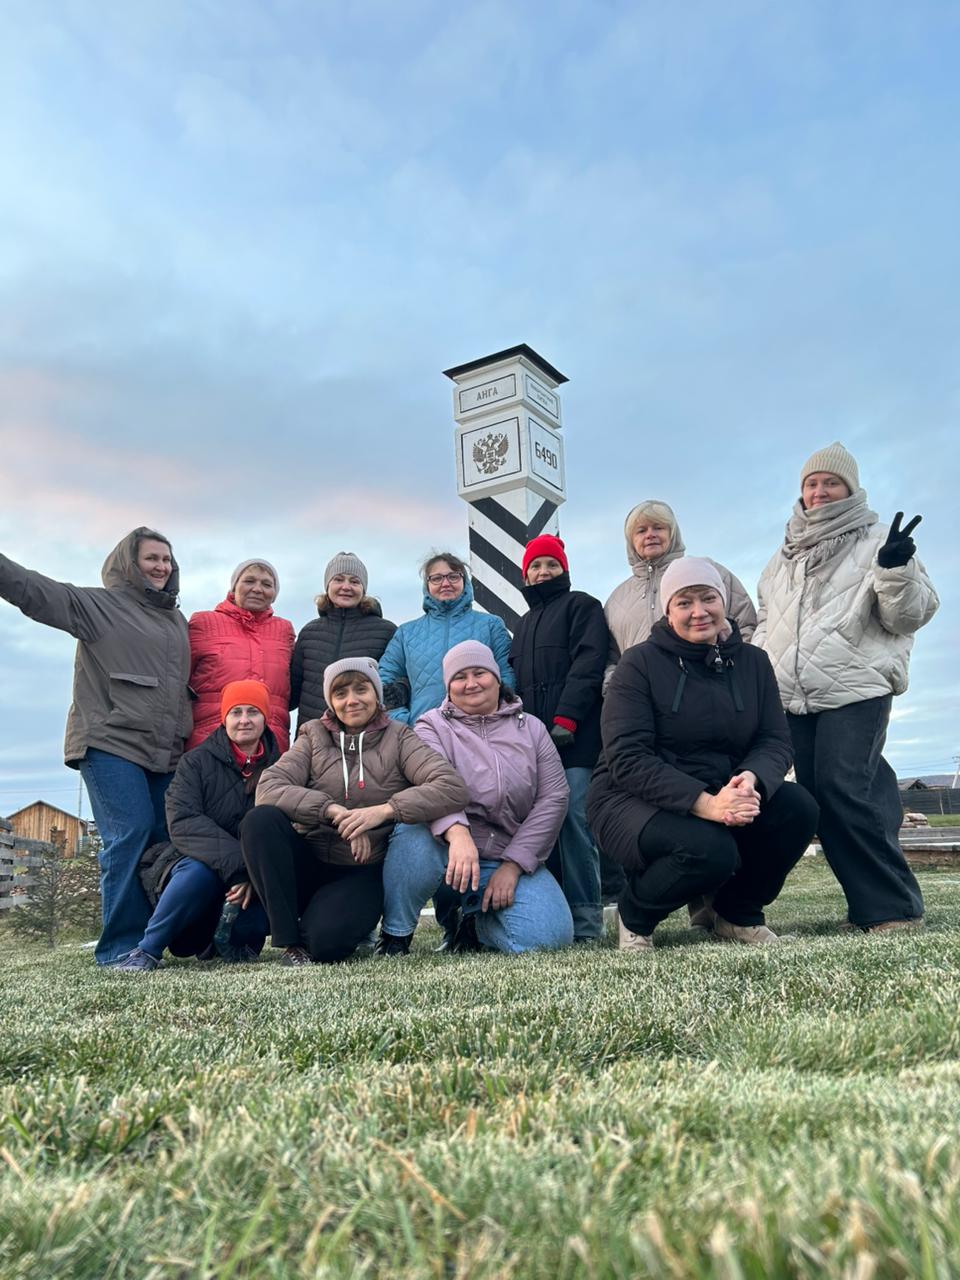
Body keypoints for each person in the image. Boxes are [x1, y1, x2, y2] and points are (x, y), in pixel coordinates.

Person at [753, 442, 939, 932]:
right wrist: (760, 674)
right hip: (794, 695)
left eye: (830, 483)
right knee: (821, 798)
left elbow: (908, 616)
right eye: (811, 483)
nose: (819, 491)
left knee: (845, 787)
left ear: (850, 488)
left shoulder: (879, 540)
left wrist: (895, 570)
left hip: (856, 685)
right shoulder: (782, 557)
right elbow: (767, 623)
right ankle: (868, 907)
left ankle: (893, 909)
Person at [587, 558, 818, 950]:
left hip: (721, 787)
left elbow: (775, 740)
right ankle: (636, 913)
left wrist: (750, 780)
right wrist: (706, 804)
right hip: (630, 797)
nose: (699, 611)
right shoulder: (638, 664)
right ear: (668, 611)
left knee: (798, 809)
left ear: (723, 601)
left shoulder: (754, 663)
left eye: (708, 598)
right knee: (710, 851)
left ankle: (737, 913)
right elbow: (627, 757)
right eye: (684, 602)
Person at [0, 527, 191, 965]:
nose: (161, 566)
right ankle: (119, 948)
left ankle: (153, 940)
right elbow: (33, 590)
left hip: (165, 750)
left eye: (167, 559)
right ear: (129, 563)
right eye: (151, 558)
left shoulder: (177, 621)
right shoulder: (98, 606)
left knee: (164, 839)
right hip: (110, 741)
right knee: (130, 832)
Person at [241, 656, 469, 965]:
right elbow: (268, 787)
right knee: (260, 820)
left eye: (361, 689)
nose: (352, 700)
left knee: (326, 944)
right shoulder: (312, 735)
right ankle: (290, 942)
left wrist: (384, 811)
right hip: (311, 858)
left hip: (361, 869)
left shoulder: (400, 737)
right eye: (341, 693)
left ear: (376, 694)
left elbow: (451, 786)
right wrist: (333, 812)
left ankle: (324, 928)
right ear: (331, 701)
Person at [377, 640, 575, 956]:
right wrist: (457, 833)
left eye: (479, 673)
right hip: (447, 850)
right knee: (412, 838)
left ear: (497, 678)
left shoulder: (532, 729)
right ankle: (395, 935)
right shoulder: (430, 726)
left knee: (550, 938)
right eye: (459, 677)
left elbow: (553, 798)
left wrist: (513, 865)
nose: (471, 683)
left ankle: (474, 925)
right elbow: (432, 783)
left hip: (506, 852)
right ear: (448, 686)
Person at [114, 681, 279, 972]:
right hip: (199, 863)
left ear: (265, 717)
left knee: (272, 884)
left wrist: (254, 872)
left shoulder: (281, 766)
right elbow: (183, 821)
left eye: (253, 712)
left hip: (253, 876)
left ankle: (242, 939)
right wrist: (242, 868)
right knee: (196, 872)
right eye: (236, 712)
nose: (244, 720)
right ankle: (147, 950)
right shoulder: (195, 763)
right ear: (224, 718)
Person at [508, 534, 608, 941]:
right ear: (525, 574)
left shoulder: (582, 606)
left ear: (564, 570)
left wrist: (567, 718)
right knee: (541, 825)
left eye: (551, 564)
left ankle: (587, 920)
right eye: (536, 565)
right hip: (534, 743)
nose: (543, 572)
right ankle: (554, 912)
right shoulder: (522, 624)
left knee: (575, 823)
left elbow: (589, 664)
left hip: (575, 738)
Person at [603, 500, 757, 686]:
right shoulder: (616, 600)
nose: (650, 535)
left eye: (658, 527)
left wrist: (734, 679)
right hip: (640, 695)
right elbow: (609, 657)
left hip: (709, 690)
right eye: (641, 531)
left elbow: (746, 627)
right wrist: (616, 689)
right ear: (631, 541)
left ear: (672, 533)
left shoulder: (710, 573)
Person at [378, 551, 514, 724]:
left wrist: (497, 716)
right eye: (436, 578)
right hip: (422, 731)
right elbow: (385, 679)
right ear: (427, 585)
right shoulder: (406, 633)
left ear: (465, 582)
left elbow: (507, 674)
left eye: (453, 576)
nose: (445, 583)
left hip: (481, 728)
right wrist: (403, 723)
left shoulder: (491, 625)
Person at [187, 559, 295, 751]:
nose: (257, 589)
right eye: (249, 581)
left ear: (274, 594)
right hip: (209, 742)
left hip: (271, 744)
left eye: (266, 584)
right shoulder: (203, 623)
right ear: (234, 587)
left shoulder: (284, 630)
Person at [289, 552, 396, 729]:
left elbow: (395, 683)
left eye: (354, 581)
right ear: (327, 585)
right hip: (313, 736)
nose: (346, 587)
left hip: (366, 735)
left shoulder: (386, 631)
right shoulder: (309, 632)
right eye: (338, 579)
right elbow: (291, 693)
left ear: (363, 589)